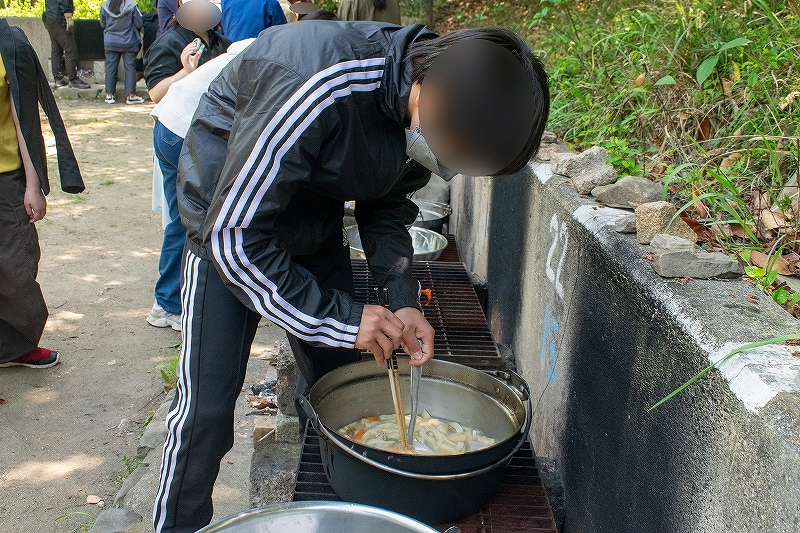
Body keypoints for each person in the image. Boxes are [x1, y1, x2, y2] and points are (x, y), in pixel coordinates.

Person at [152, 20, 549, 532]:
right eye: (454, 154)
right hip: (226, 221)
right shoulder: (316, 81)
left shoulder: (431, 106)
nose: (448, 167)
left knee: (343, 379)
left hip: (311, 214)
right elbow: (234, 240)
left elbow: (385, 204)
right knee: (204, 414)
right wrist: (343, 319)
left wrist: (403, 299)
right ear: (430, 92)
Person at [0, 19, 84, 369]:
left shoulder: (9, 44)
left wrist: (33, 184)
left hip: (6, 177)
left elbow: (24, 120)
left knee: (17, 267)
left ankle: (14, 347)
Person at [144, 0, 231, 330]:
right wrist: (186, 72)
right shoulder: (169, 41)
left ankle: (188, 296)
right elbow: (155, 93)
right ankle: (166, 303)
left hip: (204, 137)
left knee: (199, 218)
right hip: (176, 133)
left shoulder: (223, 42)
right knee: (183, 221)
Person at [100, 0, 145, 105]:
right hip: (129, 42)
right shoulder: (132, 6)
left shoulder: (105, 5)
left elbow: (102, 23)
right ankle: (131, 96)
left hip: (110, 41)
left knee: (111, 68)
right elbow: (139, 23)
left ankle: (109, 95)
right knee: (130, 68)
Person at [41, 0, 90, 89]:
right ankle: (73, 79)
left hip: (49, 17)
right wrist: (68, 15)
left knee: (56, 48)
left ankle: (58, 79)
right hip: (59, 18)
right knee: (71, 48)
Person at [220, 0, 286, 41]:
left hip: (231, 53)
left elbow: (222, 30)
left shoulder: (226, 2)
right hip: (257, 55)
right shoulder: (269, 2)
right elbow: (281, 35)